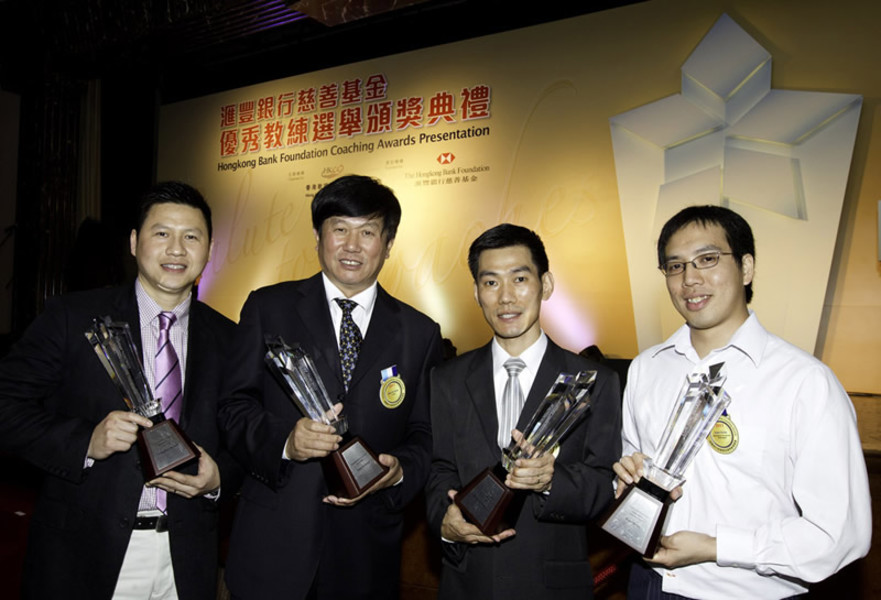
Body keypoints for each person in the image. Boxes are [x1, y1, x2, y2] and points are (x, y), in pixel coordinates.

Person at [614, 205, 872, 598]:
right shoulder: (647, 368)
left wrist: (717, 547)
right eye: (675, 266)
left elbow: (838, 535)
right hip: (647, 583)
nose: (690, 279)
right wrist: (628, 478)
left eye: (708, 259)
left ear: (747, 268)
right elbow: (633, 464)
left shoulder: (804, 382)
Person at [0, 181, 238, 599]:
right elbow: (7, 407)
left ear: (209, 249)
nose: (176, 249)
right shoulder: (74, 318)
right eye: (161, 233)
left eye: (191, 237)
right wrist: (85, 442)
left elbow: (243, 435)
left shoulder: (229, 338)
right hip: (83, 553)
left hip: (184, 558)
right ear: (134, 242)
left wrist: (219, 477)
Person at [218, 174, 444, 599]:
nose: (352, 245)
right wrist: (285, 442)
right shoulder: (268, 307)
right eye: (339, 229)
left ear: (388, 244)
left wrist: (398, 472)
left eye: (367, 232)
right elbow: (233, 407)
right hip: (273, 544)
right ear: (318, 237)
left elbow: (426, 435)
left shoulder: (420, 333)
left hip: (365, 552)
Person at [425, 223, 622, 599]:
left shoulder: (595, 380)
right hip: (467, 581)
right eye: (491, 282)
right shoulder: (447, 378)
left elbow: (604, 485)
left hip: (550, 584)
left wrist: (552, 480)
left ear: (545, 285)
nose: (506, 298)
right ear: (476, 292)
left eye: (519, 279)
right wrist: (444, 521)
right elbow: (440, 468)